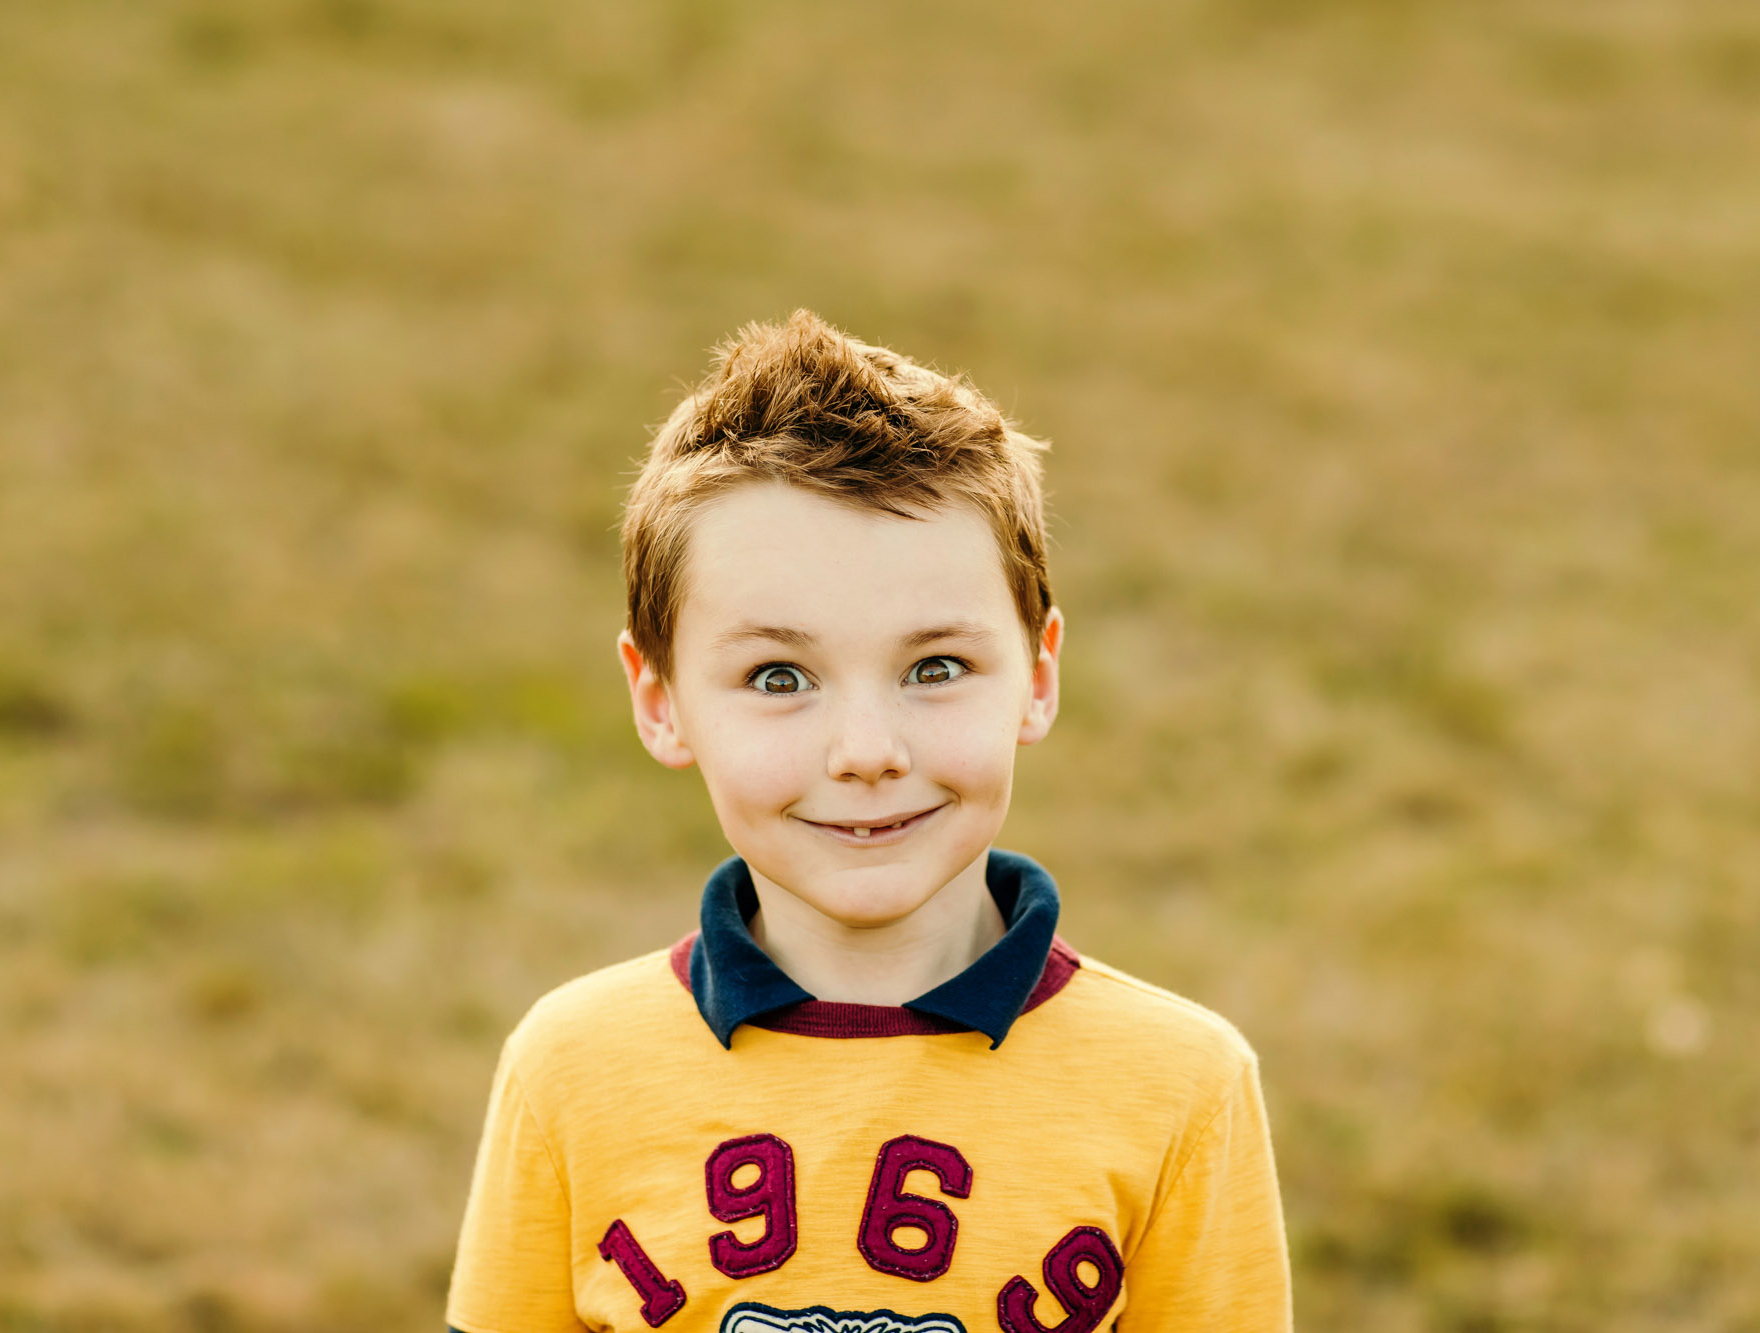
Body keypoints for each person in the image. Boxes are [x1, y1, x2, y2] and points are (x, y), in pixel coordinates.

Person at [445, 310, 1291, 1333]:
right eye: (777, 675)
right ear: (659, 698)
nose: (864, 749)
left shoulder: (1181, 1088)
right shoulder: (569, 1069)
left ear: (1037, 673)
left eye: (934, 667)